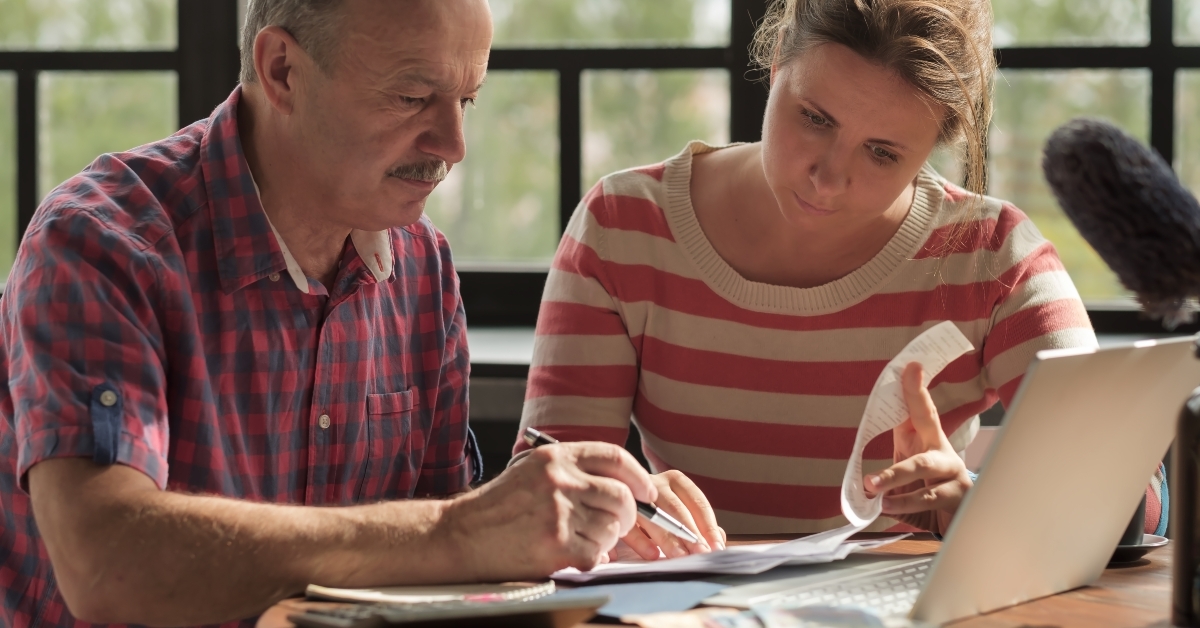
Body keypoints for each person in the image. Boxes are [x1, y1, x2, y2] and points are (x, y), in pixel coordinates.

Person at [0, 1, 671, 626]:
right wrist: (458, 534)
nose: (454, 143)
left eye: (466, 100)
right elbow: (106, 563)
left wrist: (580, 532)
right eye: (412, 98)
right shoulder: (100, 243)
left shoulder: (421, 264)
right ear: (283, 70)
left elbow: (445, 566)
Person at [515, 0, 1167, 553]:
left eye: (883, 153)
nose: (828, 177)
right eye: (814, 118)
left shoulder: (988, 255)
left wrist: (981, 501)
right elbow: (539, 496)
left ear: (934, 145)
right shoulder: (625, 225)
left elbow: (1140, 500)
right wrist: (601, 509)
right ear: (774, 69)